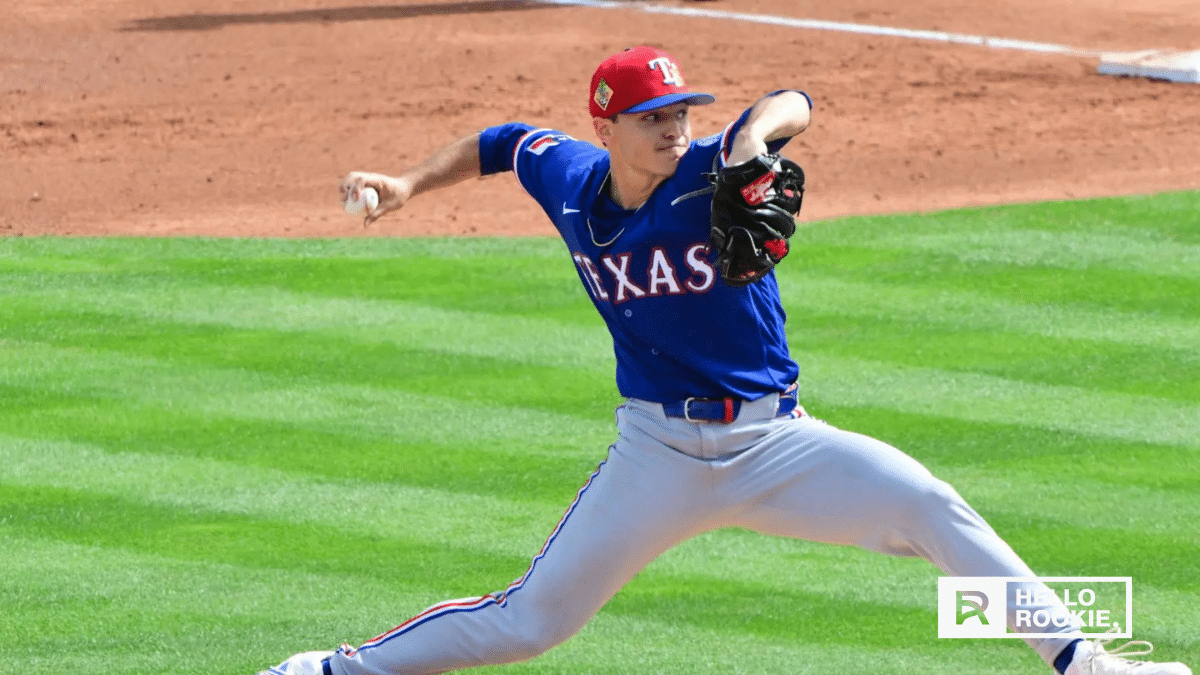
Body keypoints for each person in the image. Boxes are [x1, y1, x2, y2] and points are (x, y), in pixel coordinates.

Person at [257, 46, 1192, 675]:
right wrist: (408, 183)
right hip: (656, 456)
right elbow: (503, 142)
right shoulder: (572, 180)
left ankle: (1089, 663)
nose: (674, 129)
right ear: (609, 126)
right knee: (534, 620)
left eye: (681, 114)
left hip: (778, 444)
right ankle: (332, 669)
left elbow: (796, 102)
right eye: (655, 117)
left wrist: (749, 138)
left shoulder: (713, 166)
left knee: (928, 504)